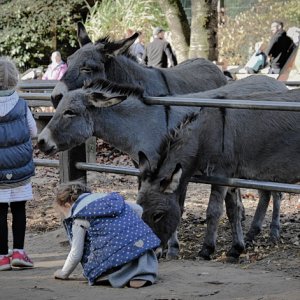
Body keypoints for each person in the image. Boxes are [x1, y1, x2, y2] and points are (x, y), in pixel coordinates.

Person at [53, 181, 160, 287]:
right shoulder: (111, 199)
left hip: (116, 257)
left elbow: (76, 253)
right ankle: (143, 272)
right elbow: (138, 209)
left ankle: (120, 276)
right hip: (140, 246)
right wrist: (132, 230)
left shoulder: (80, 216)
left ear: (67, 204)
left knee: (99, 266)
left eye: (63, 213)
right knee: (140, 250)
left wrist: (64, 273)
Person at [0, 57, 37, 271]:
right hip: (20, 167)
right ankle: (19, 253)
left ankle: (2, 256)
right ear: (15, 80)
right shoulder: (22, 105)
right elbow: (33, 132)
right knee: (19, 209)